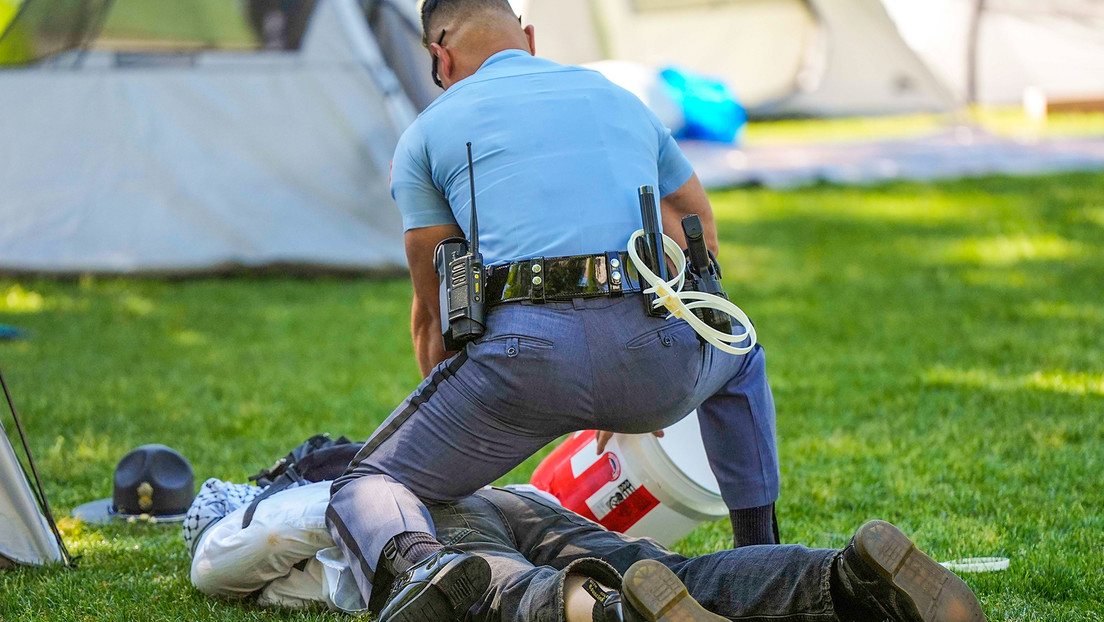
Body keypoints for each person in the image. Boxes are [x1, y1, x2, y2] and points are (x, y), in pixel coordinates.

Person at [327, 1, 780, 619]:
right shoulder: (620, 98)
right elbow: (694, 224)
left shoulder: (428, 131)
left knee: (369, 484)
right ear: (530, 39)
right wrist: (653, 364)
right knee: (741, 353)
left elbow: (432, 313)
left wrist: (456, 427)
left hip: (519, 369)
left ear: (439, 55)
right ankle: (760, 549)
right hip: (653, 358)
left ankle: (422, 571)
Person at [195, 481, 987, 622]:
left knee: (490, 593)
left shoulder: (301, 493)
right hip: (523, 498)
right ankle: (846, 580)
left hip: (427, 520)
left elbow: (228, 558)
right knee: (676, 571)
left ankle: (615, 618)